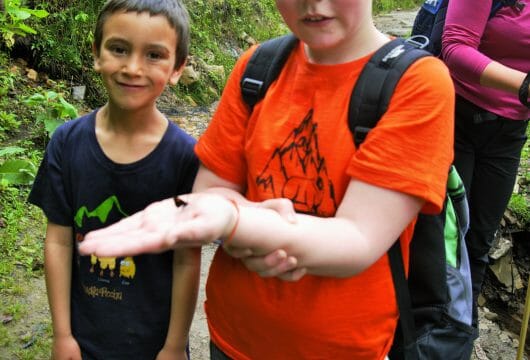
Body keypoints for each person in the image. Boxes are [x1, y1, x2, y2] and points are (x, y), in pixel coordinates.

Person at [79, 1, 455, 358]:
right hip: (233, 334)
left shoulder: (417, 83)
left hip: (341, 349)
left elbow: (358, 238)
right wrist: (244, 220)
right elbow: (212, 189)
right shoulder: (259, 66)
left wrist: (241, 222)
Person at [28, 1, 200, 359]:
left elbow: (186, 259)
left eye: (154, 55)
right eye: (119, 49)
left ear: (177, 68)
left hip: (153, 343)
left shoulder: (186, 157)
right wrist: (62, 336)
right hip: (84, 337)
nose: (133, 68)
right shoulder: (66, 142)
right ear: (96, 53)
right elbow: (58, 241)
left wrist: (172, 347)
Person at [442, 0, 530, 328]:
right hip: (456, 116)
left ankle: (463, 330)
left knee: (479, 239)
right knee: (444, 234)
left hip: (509, 132)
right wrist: (524, 86)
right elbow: (455, 46)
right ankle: (424, 328)